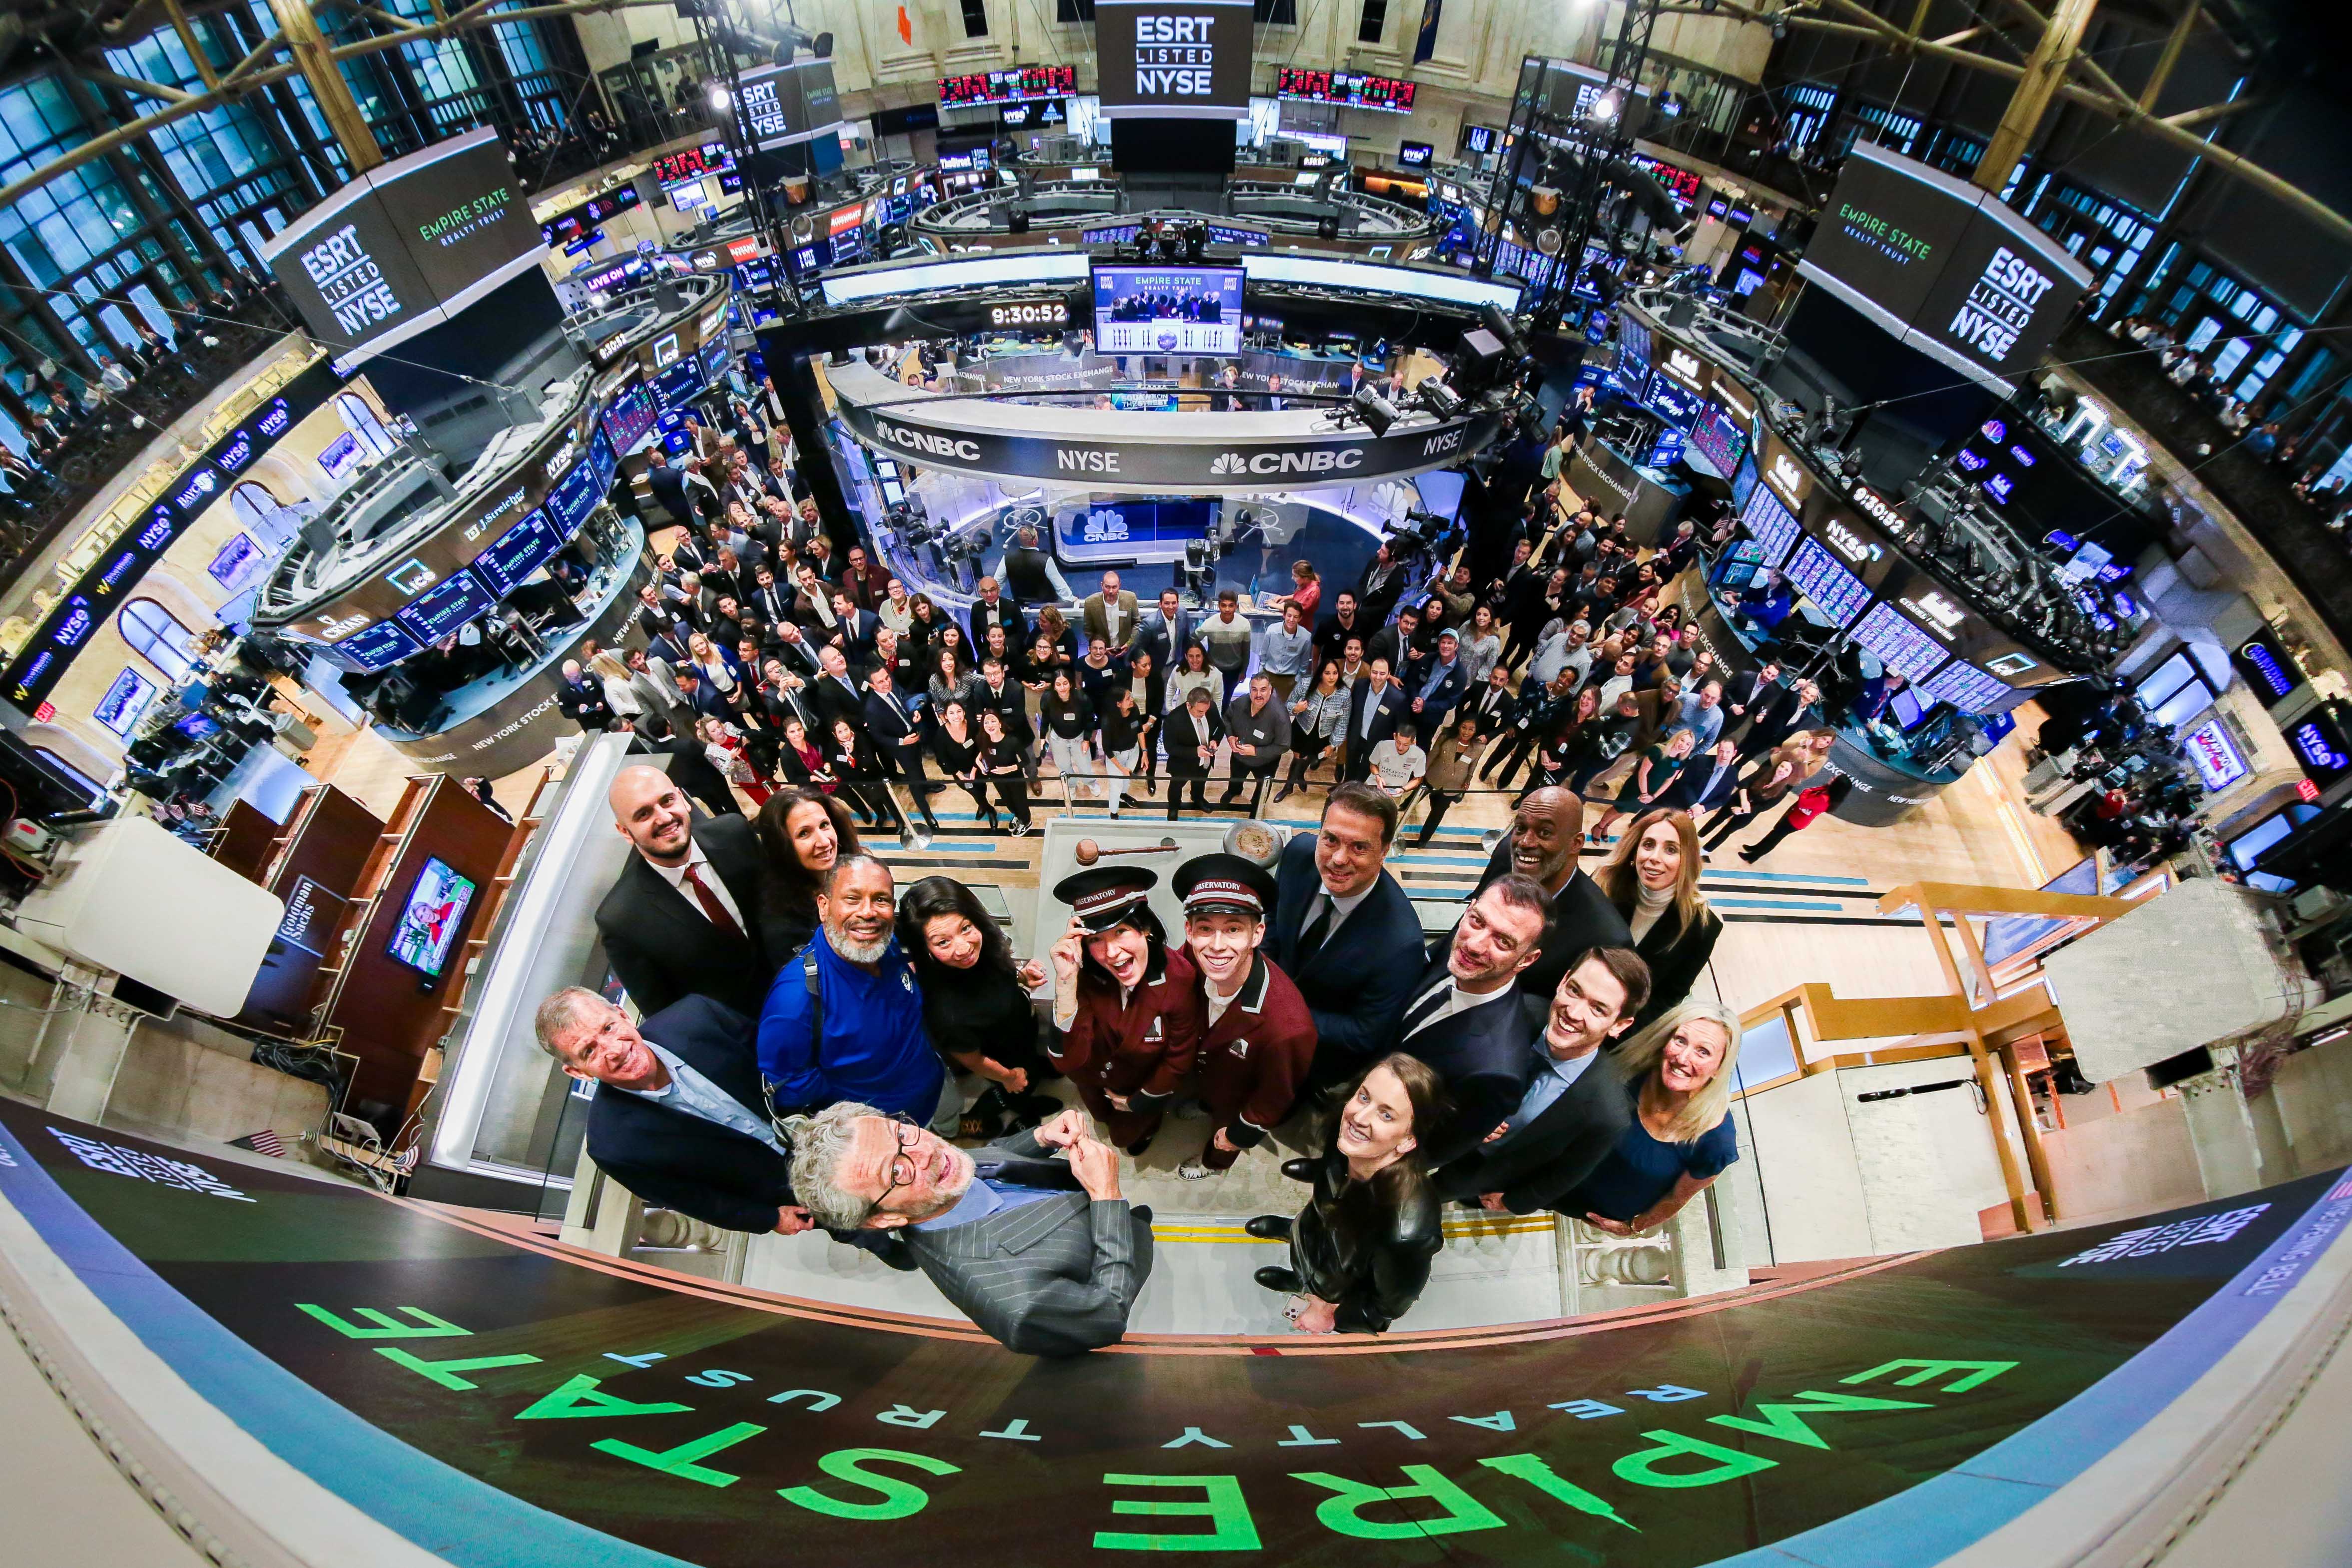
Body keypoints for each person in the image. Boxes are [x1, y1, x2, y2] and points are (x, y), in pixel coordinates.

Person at [786, 1100, 1150, 1356]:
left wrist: (1040, 1138)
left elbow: (987, 1160)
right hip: (1125, 1246)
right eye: (896, 1171)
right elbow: (1108, 1313)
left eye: (901, 1133)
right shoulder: (1015, 1305)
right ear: (883, 1219)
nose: (925, 1152)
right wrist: (1107, 1197)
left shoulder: (939, 1179)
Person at [535, 988, 815, 1236]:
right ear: (577, 1072)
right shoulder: (613, 1147)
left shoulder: (698, 1017)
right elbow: (695, 1199)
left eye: (608, 1028)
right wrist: (770, 1218)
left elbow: (785, 1058)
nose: (615, 1050)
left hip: (832, 1125)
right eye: (589, 1051)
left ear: (622, 1014)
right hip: (800, 1195)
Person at [1433, 948, 1649, 1213]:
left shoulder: (1608, 1114)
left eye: (1598, 1009)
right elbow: (1444, 1065)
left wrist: (1515, 1203)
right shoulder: (1511, 1010)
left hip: (1473, 1176)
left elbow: (1564, 1175)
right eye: (1575, 991)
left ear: (1619, 1025)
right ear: (1563, 981)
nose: (1574, 1012)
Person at [1244, 1053, 1447, 1335]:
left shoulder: (1407, 1233)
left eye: (1386, 1115)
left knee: (1321, 1284)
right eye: (1364, 1097)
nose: (1359, 1117)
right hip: (1318, 1230)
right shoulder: (1350, 1137)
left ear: (1407, 1140)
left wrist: (1331, 1318)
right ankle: (1294, 1244)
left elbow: (1385, 1309)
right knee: (1308, 1232)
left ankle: (1307, 1289)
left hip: (1337, 1282)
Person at [756, 854, 949, 1127]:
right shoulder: (794, 1000)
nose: (868, 912)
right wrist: (860, 1102)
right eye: (852, 899)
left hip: (929, 1096)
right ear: (824, 907)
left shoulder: (885, 943)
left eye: (880, 899)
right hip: (887, 1133)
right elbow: (789, 1086)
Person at [1268, 784, 1428, 1091]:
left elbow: (1364, 1032)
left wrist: (1278, 1010)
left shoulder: (1400, 942)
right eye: (1330, 840)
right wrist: (1259, 973)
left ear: (1384, 851)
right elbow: (1276, 914)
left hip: (1314, 1053)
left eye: (1359, 847)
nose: (1338, 859)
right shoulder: (1299, 854)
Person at [1169, 855, 1317, 1180]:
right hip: (1209, 1070)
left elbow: (1272, 1100)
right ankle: (1204, 1104)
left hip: (1238, 1098)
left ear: (1257, 933)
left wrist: (1237, 1135)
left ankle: (1210, 1165)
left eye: (1233, 929)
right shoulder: (1192, 957)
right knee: (1208, 1095)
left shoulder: (1288, 1028)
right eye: (1206, 928)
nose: (1217, 946)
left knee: (1222, 1143)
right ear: (1190, 931)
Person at [1391, 877, 1550, 1168]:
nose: (1476, 945)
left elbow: (1436, 1150)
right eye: (1477, 922)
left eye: (1503, 941)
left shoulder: (1498, 1073)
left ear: (1526, 960)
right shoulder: (1462, 945)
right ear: (1469, 911)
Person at [1045, 866, 1205, 1155]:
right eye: (1096, 939)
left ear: (1147, 929)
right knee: (1103, 1118)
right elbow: (1066, 1063)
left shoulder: (1179, 981)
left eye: (1121, 932)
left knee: (1128, 1135)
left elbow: (1179, 1058)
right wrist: (1066, 983)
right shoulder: (1083, 974)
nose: (1111, 953)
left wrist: (1142, 1101)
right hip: (1093, 1081)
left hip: (1139, 1088)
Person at [596, 765, 772, 1017]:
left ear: (683, 799)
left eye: (667, 801)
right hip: (746, 1038)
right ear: (625, 831)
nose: (665, 818)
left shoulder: (735, 834)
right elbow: (667, 1014)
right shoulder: (621, 918)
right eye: (644, 814)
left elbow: (783, 903)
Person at [1556, 1001, 1744, 1235]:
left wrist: (1635, 1226)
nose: (1683, 1058)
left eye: (1703, 1052)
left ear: (1719, 1068)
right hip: (1547, 1179)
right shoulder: (1631, 1069)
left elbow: (1677, 1198)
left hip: (1589, 1210)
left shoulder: (1716, 1141)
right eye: (1680, 1041)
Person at [898, 876, 1057, 1135]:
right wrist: (1008, 1078)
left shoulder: (987, 945)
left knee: (1033, 1062)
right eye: (943, 942)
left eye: (965, 928)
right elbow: (973, 1059)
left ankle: (1029, 1076)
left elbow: (1001, 974)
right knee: (1020, 1087)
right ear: (924, 948)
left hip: (1020, 1027)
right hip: (1000, 1053)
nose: (964, 948)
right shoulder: (946, 1010)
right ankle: (1017, 1105)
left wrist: (1021, 976)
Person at [1468, 786, 1633, 1003]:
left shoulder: (1606, 937)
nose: (1525, 843)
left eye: (1545, 833)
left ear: (1576, 843)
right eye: (1520, 828)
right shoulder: (1506, 854)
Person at [751, 786, 862, 965]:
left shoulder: (854, 869)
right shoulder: (784, 926)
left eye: (824, 825)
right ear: (782, 847)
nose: (825, 842)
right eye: (804, 834)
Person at [1699, 731, 1818, 852]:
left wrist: (1742, 810)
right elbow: (1745, 782)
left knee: (1727, 831)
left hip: (1747, 814)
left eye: (1786, 770)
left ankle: (1705, 850)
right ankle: (1699, 836)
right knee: (1717, 819)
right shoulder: (1765, 771)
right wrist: (1744, 801)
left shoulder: (1781, 792)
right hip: (1738, 799)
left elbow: (1763, 808)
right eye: (1781, 767)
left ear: (1789, 775)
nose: (1782, 770)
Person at [1587, 726, 1696, 844]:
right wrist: (1645, 794)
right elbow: (1643, 773)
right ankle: (1599, 827)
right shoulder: (1658, 750)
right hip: (1637, 789)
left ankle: (1607, 826)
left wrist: (1653, 797)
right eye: (1682, 740)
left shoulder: (1678, 762)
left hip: (1650, 795)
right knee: (1618, 809)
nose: (1683, 745)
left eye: (1688, 744)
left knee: (1625, 812)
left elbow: (1669, 781)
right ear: (1676, 738)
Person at [1739, 769, 1851, 864]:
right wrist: (1807, 793)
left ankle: (1754, 857)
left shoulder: (1824, 799)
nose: (1831, 779)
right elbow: (1809, 794)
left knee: (1774, 838)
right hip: (1794, 815)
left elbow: (1804, 799)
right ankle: (1756, 848)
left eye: (1834, 779)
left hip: (1795, 822)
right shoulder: (1826, 791)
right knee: (1774, 833)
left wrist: (1806, 793)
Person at [1278, 659, 1350, 802]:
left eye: (1335, 673)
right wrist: (1296, 709)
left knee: (1311, 757)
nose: (1331, 677)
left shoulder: (1344, 694)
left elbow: (1343, 723)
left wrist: (1334, 744)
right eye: (1327, 673)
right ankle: (1288, 786)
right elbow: (1288, 705)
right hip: (1302, 730)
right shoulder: (1306, 684)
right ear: (1320, 674)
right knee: (1298, 758)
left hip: (1323, 735)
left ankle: (1299, 776)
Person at [929, 698, 1001, 831]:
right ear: (945, 716)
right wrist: (958, 774)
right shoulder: (941, 734)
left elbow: (981, 747)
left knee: (980, 787)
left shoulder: (973, 726)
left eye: (959, 711)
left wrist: (974, 770)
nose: (956, 716)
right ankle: (989, 809)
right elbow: (942, 758)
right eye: (952, 713)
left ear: (964, 712)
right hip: (959, 772)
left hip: (977, 767)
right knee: (972, 790)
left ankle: (983, 805)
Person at [1220, 671, 1290, 807]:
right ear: (1250, 690)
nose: (1258, 695)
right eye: (1254, 690)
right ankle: (1234, 791)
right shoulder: (1240, 703)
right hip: (1239, 757)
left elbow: (1284, 746)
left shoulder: (1280, 715)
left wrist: (1256, 751)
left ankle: (1257, 805)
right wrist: (1230, 737)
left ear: (1270, 690)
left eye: (1263, 690)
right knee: (1235, 778)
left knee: (1261, 789)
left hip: (1265, 762)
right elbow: (1226, 719)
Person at [1411, 715, 1481, 845]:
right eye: (1464, 727)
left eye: (1471, 729)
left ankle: (1424, 839)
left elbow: (1473, 766)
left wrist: (1468, 781)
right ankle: (1406, 805)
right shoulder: (1446, 737)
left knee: (1438, 813)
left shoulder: (1479, 748)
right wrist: (1421, 774)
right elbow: (1433, 755)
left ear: (1476, 731)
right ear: (1459, 726)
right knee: (1416, 796)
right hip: (1434, 776)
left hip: (1454, 785)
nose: (1466, 732)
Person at [1038, 667, 1098, 806]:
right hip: (1058, 739)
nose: (1062, 688)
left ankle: (1090, 783)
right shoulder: (1048, 699)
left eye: (1065, 683)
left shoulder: (1082, 699)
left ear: (1070, 684)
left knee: (1085, 765)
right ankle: (1071, 786)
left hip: (1079, 738)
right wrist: (1042, 737)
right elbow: (1045, 719)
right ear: (1053, 686)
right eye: (1058, 684)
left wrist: (1087, 740)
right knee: (1064, 766)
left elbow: (1090, 720)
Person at [1342, 657, 1408, 781]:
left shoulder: (1398, 699)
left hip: (1377, 745)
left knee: (1365, 775)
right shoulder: (1360, 686)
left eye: (1382, 674)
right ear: (1369, 672)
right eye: (1375, 672)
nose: (1378, 677)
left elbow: (1400, 727)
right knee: (1350, 771)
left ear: (1389, 675)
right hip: (1356, 738)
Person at [1163, 685, 1221, 820]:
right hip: (1182, 764)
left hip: (1205, 760)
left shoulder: (1209, 707)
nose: (1204, 715)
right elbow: (1170, 748)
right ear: (1189, 705)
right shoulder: (1173, 720)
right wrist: (1195, 752)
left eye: (1206, 711)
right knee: (1176, 788)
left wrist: (1215, 740)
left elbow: (1220, 726)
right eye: (1200, 712)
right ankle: (1174, 807)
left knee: (1201, 783)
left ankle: (1198, 798)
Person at [975, 707, 1034, 834]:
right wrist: (980, 764)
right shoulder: (983, 739)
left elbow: (1026, 761)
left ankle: (1026, 822)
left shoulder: (1012, 741)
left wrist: (1008, 769)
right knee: (1009, 802)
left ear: (1000, 723)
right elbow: (980, 756)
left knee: (1021, 803)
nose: (990, 725)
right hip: (997, 779)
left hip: (1014, 778)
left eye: (993, 721)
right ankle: (1018, 816)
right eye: (986, 722)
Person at [1256, 600, 1315, 704]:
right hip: (1269, 673)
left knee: (1283, 709)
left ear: (1300, 618)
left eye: (1296, 617)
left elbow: (1305, 662)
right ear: (1284, 615)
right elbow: (1263, 654)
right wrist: (1261, 674)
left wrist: (1298, 679)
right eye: (1289, 616)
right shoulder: (1272, 630)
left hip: (1289, 678)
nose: (1292, 620)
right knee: (1262, 703)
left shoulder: (1306, 637)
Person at [1081, 570, 1139, 651]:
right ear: (1102, 585)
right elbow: (1088, 630)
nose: (1111, 591)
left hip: (1127, 650)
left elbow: (1137, 623)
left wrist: (1129, 644)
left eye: (1114, 587)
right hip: (1102, 653)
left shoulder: (1130, 599)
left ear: (1120, 586)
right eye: (1107, 587)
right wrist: (1101, 648)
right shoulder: (1091, 603)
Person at [558, 659, 615, 731]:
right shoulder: (563, 691)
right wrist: (578, 711)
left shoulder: (591, 677)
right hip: (591, 725)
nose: (578, 678)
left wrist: (601, 702)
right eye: (574, 677)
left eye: (579, 674)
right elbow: (565, 712)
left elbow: (605, 691)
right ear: (566, 676)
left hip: (608, 716)